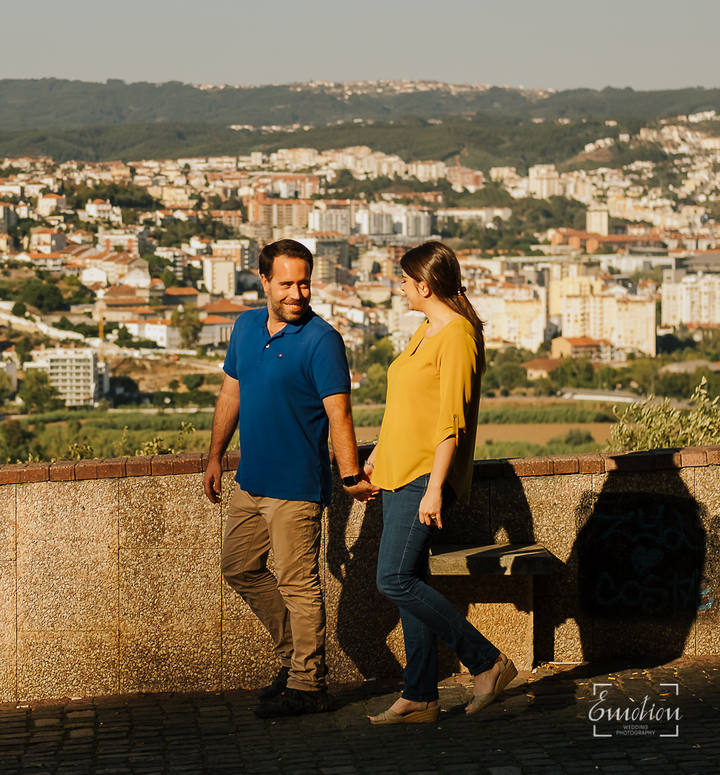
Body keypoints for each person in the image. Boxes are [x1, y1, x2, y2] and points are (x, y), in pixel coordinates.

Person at [203, 239, 378, 719]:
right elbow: (231, 393)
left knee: (299, 585)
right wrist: (216, 455)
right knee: (239, 568)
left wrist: (348, 475)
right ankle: (293, 660)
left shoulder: (322, 340)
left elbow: (339, 413)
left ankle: (309, 685)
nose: (297, 293)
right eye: (286, 284)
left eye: (304, 282)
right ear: (263, 280)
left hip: (297, 486)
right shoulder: (243, 327)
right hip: (250, 480)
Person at [364, 240, 516, 725]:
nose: (401, 288)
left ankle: (487, 661)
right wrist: (377, 458)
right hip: (398, 472)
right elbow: (408, 408)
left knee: (393, 579)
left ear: (424, 286)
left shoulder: (457, 337)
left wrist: (435, 487)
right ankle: (421, 694)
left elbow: (451, 421)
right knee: (412, 579)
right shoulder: (428, 330)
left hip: (424, 478)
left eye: (405, 282)